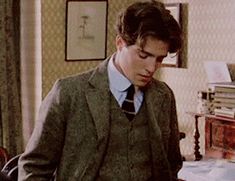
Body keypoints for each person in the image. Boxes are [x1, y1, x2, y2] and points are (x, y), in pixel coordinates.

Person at [18, 0, 183, 180]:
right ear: (120, 43)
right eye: (143, 55)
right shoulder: (68, 93)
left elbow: (171, 165)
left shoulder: (164, 96)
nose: (151, 68)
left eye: (159, 59)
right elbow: (33, 169)